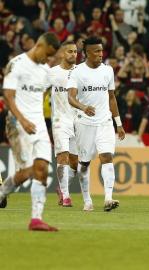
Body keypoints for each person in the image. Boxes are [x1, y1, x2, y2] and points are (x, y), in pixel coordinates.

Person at [0, 32, 60, 231]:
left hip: (39, 125)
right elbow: (8, 96)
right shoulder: (16, 64)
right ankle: (2, 192)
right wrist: (22, 119)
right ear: (40, 45)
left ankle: (36, 219)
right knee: (27, 171)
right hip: (18, 124)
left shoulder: (45, 70)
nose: (48, 59)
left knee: (41, 168)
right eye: (48, 54)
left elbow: (44, 92)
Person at [67, 36, 125, 212]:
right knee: (83, 164)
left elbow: (112, 97)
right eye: (97, 51)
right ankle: (87, 199)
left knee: (106, 156)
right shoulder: (77, 72)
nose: (101, 54)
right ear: (86, 53)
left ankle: (108, 198)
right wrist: (83, 107)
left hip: (105, 122)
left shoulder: (108, 70)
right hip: (85, 123)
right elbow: (70, 97)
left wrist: (119, 123)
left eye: (101, 50)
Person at [48, 41, 93, 210]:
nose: (74, 54)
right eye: (70, 51)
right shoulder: (52, 73)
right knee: (63, 156)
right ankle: (66, 197)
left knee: (75, 163)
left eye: (75, 52)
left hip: (78, 120)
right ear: (62, 53)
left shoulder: (81, 72)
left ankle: (61, 189)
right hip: (60, 120)